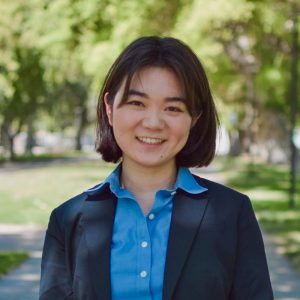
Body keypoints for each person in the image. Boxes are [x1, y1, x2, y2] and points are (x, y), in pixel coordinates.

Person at [39, 36, 273, 300]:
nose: (153, 122)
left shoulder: (232, 213)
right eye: (137, 103)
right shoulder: (67, 219)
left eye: (173, 108)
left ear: (193, 118)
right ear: (109, 108)